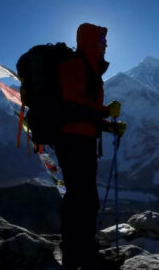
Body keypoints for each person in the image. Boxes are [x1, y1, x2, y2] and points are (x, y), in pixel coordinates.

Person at [54, 23, 126, 270]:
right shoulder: (75, 66)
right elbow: (72, 107)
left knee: (82, 199)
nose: (105, 45)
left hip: (81, 141)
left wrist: (108, 126)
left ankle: (79, 253)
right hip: (73, 143)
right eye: (102, 41)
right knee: (82, 200)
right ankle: (82, 256)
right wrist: (106, 111)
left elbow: (83, 113)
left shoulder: (89, 69)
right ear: (90, 42)